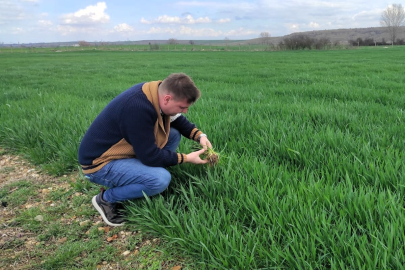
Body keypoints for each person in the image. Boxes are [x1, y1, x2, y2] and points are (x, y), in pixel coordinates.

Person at [78, 73, 212, 227]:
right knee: (160, 179)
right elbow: (149, 156)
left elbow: (178, 120)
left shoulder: (155, 93)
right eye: (182, 107)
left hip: (122, 152)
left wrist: (200, 136)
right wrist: (186, 158)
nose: (185, 111)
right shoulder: (138, 109)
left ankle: (141, 177)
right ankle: (106, 199)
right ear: (167, 98)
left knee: (173, 134)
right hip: (99, 163)